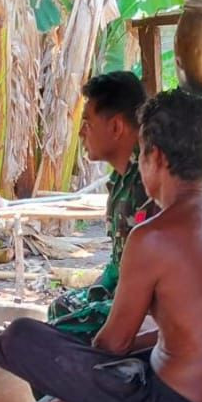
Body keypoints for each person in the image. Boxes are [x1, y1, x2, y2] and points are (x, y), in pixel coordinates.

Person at [0, 89, 202, 402]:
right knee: (137, 352)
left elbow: (113, 346)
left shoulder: (153, 236)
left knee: (16, 339)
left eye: (140, 153)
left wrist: (86, 385)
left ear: (154, 156)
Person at [47, 71, 158, 340]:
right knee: (59, 308)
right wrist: (97, 291)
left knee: (56, 334)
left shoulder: (152, 180)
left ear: (117, 127)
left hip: (153, 304)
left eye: (87, 122)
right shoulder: (120, 181)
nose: (82, 133)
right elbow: (118, 264)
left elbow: (150, 275)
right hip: (127, 291)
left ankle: (112, 378)